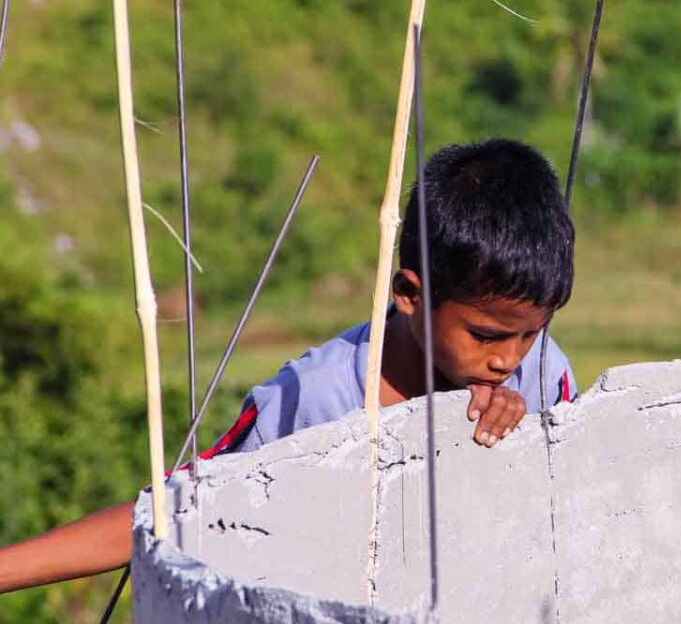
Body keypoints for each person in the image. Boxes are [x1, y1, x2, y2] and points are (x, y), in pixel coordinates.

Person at [0, 138, 578, 593]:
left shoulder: (543, 373)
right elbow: (176, 512)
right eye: (486, 335)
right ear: (408, 293)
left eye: (533, 332)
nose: (508, 359)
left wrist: (522, 439)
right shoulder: (312, 399)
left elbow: (577, 506)